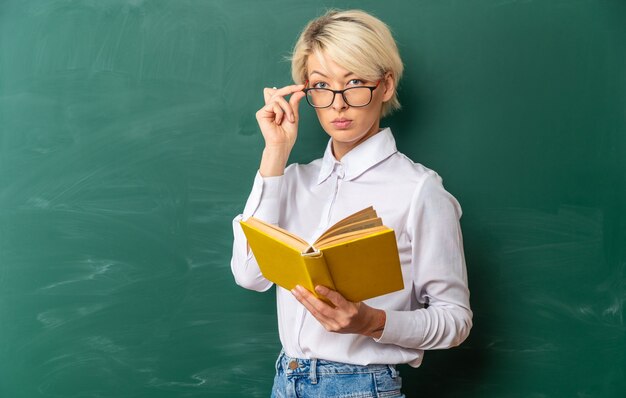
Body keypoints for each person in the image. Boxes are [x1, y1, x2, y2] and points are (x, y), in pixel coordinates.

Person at [231, 9, 472, 397]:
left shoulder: (418, 190)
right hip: (285, 380)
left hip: (361, 385)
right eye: (321, 86)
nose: (338, 103)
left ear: (386, 86)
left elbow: (455, 320)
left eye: (355, 82)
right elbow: (249, 275)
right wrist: (275, 152)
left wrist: (371, 322)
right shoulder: (289, 180)